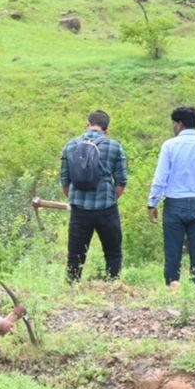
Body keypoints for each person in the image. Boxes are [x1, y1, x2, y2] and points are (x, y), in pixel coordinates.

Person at [148, 106, 195, 288]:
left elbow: (161, 177)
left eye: (174, 124)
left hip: (174, 205)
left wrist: (152, 203)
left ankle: (172, 288)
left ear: (180, 124)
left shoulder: (169, 146)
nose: (173, 127)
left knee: (172, 253)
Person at [58, 109, 128, 283]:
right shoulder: (114, 146)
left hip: (79, 208)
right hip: (107, 207)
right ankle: (113, 285)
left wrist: (74, 198)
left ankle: (72, 286)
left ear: (87, 125)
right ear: (106, 129)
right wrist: (111, 199)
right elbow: (121, 181)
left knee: (75, 254)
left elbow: (65, 181)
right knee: (113, 252)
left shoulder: (71, 145)